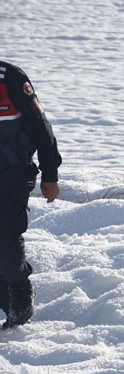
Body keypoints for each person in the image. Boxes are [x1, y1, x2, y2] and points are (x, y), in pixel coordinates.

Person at [0, 60, 62, 330]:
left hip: (13, 172)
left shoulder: (9, 78)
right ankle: (7, 303)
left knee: (4, 235)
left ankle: (20, 299)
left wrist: (50, 174)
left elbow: (41, 127)